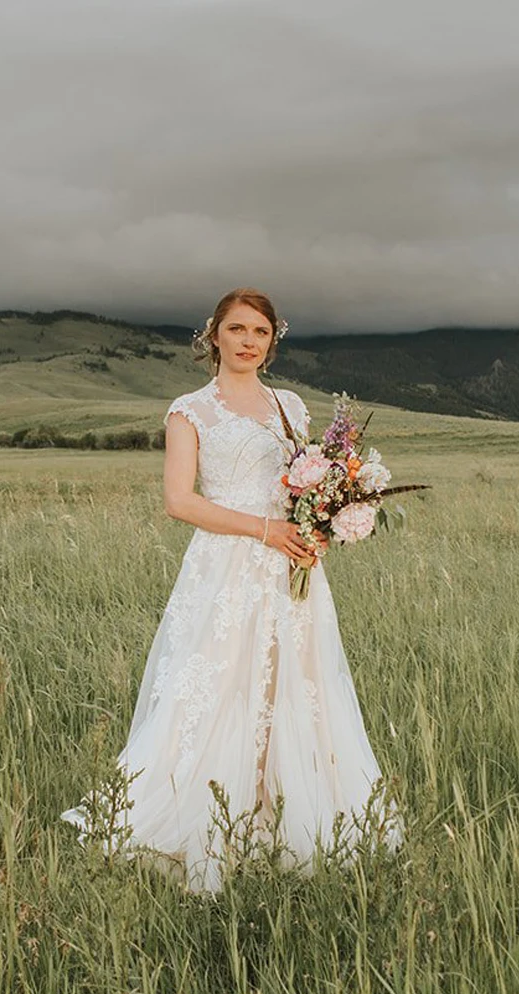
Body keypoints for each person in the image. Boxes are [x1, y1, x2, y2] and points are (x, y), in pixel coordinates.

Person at [61, 287, 402, 892]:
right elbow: (179, 501)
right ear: (213, 334)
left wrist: (320, 520)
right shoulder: (190, 410)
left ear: (272, 343)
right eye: (238, 329)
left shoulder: (290, 405)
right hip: (226, 562)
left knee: (292, 681)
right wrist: (263, 529)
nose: (249, 341)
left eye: (261, 333)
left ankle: (284, 812)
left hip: (291, 564)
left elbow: (306, 479)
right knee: (219, 679)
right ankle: (204, 810)